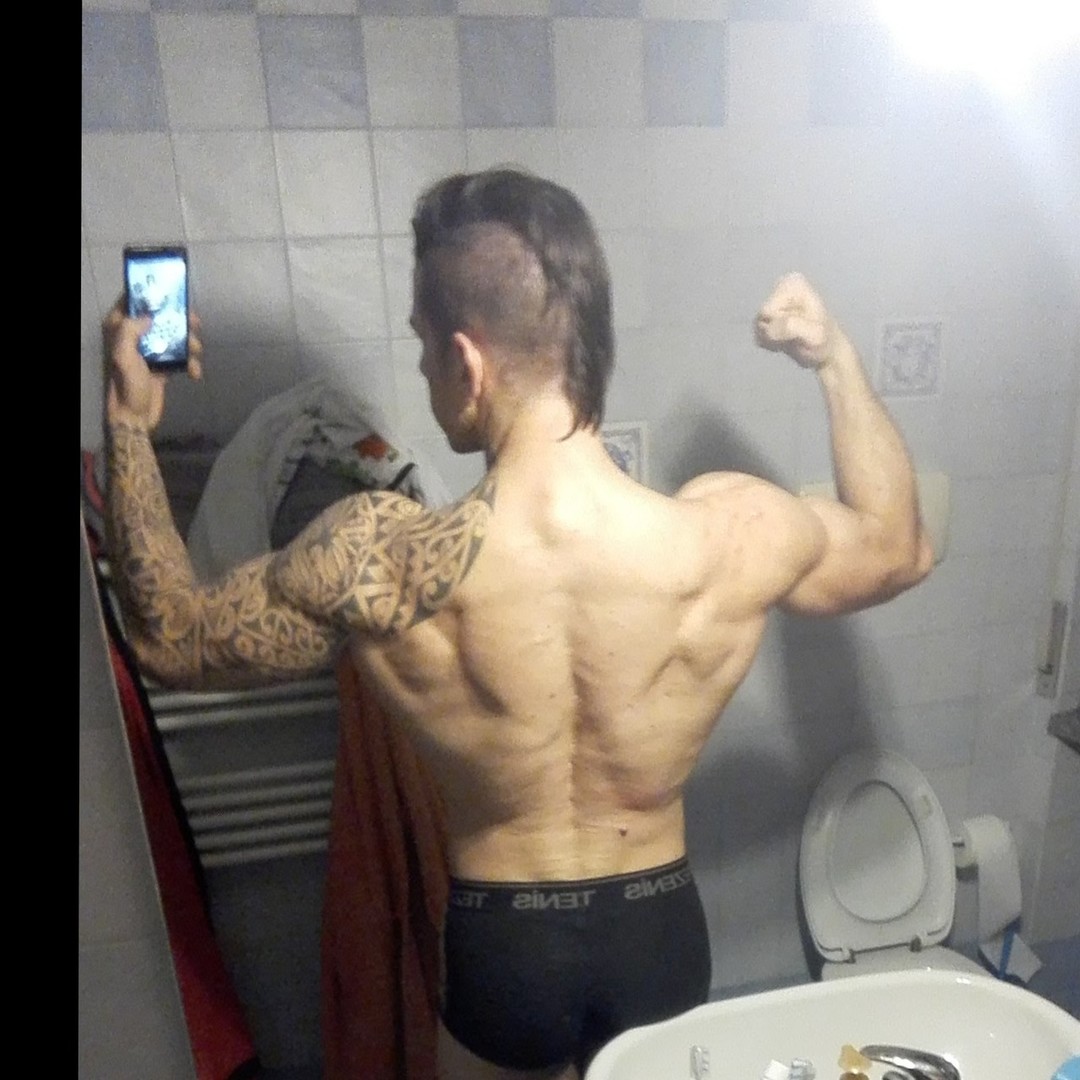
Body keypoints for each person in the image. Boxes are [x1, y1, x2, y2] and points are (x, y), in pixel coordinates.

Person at [103, 168, 934, 1080]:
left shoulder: (379, 557)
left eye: (424, 348)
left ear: (468, 362)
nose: (424, 373)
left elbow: (169, 640)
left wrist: (130, 424)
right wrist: (834, 357)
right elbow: (897, 547)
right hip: (657, 932)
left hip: (503, 949)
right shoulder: (726, 535)